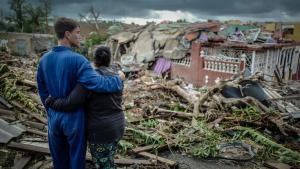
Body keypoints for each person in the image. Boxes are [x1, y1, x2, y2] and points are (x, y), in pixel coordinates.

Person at [36, 18, 124, 169]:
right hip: (74, 119)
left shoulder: (44, 59)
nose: (80, 36)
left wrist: (50, 109)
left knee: (59, 159)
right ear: (67, 34)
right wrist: (119, 79)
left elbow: (42, 90)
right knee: (76, 159)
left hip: (53, 117)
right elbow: (98, 84)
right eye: (77, 33)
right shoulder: (78, 60)